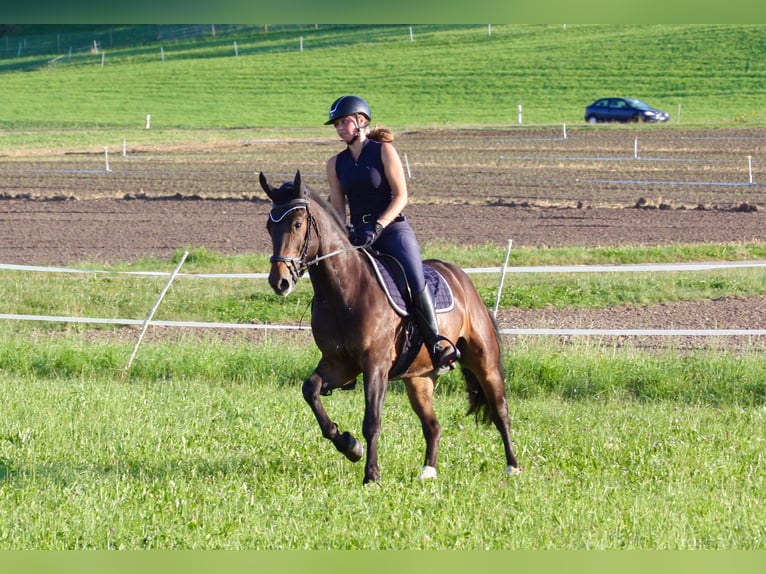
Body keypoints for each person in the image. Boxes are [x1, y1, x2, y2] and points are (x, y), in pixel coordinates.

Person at [324, 94, 459, 372]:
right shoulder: (335, 164)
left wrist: (378, 226)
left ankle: (436, 343)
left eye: (344, 122)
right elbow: (338, 208)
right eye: (336, 124)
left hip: (392, 229)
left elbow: (401, 196)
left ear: (361, 122)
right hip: (358, 235)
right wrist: (342, 234)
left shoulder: (383, 150)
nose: (339, 128)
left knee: (413, 275)